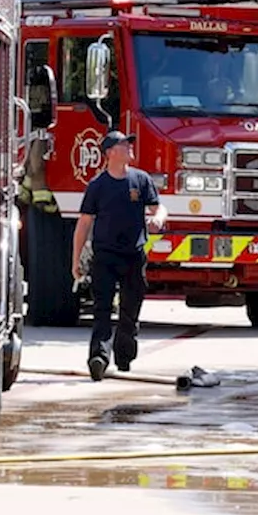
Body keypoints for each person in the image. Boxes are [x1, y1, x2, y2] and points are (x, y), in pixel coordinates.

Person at [70, 131, 167, 381]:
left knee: (130, 310)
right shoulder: (97, 186)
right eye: (125, 145)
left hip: (133, 256)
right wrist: (76, 261)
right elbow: (83, 224)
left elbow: (159, 206)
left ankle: (124, 357)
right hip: (104, 256)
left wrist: (158, 218)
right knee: (102, 309)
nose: (130, 149)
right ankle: (99, 358)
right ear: (110, 153)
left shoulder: (141, 180)